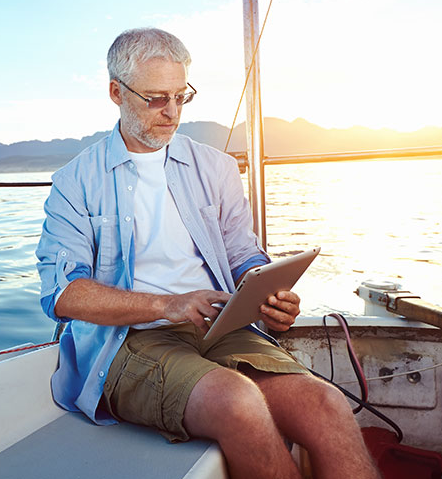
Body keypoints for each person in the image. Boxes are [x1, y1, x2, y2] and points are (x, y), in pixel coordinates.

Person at [36, 27, 378, 479]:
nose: (172, 112)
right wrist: (167, 304)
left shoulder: (215, 167)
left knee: (326, 403)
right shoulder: (74, 182)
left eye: (181, 96)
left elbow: (243, 256)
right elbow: (63, 296)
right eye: (156, 98)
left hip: (220, 326)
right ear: (116, 92)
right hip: (129, 341)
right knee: (237, 402)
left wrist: (267, 294)